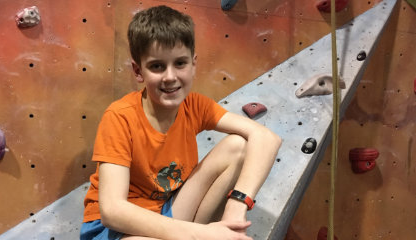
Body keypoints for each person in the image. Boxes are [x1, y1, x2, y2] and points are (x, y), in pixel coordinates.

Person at [81, 5, 282, 240]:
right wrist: (202, 234)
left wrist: (236, 208)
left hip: (168, 210)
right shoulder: (120, 117)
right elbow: (113, 212)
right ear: (138, 71)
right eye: (157, 66)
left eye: (180, 63)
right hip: (120, 229)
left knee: (238, 146)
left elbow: (267, 138)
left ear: (193, 64)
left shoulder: (195, 106)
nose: (170, 76)